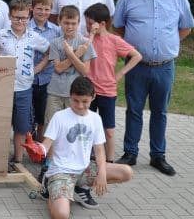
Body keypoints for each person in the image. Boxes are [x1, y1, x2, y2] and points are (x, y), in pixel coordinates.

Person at [112, 0, 194, 176]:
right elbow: (119, 27)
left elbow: (185, 28)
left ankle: (158, 155)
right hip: (136, 66)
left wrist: (167, 45)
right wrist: (136, 49)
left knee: (160, 112)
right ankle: (130, 152)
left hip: (164, 67)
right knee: (134, 110)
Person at [37, 76, 133, 218]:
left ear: (93, 97)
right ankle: (51, 189)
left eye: (85, 101)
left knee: (127, 172)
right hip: (61, 172)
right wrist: (38, 149)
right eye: (75, 100)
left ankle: (79, 187)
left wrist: (101, 173)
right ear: (70, 96)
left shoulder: (95, 118)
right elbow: (47, 143)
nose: (80, 106)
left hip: (85, 169)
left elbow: (99, 150)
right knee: (62, 215)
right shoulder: (59, 117)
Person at [0, 0, 49, 163]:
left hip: (24, 88)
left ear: (29, 17)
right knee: (2, 124)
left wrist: (36, 69)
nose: (20, 21)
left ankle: (18, 160)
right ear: (10, 16)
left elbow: (49, 51)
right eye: (16, 17)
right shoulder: (1, 35)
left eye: (23, 18)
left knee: (21, 126)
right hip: (3, 88)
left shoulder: (33, 37)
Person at [84, 3, 142, 162]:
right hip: (89, 89)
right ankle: (85, 157)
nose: (88, 26)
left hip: (107, 91)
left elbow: (137, 56)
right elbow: (83, 52)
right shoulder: (86, 39)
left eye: (90, 23)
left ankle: (109, 161)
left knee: (108, 129)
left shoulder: (114, 40)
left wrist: (121, 73)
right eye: (87, 23)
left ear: (102, 24)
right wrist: (90, 35)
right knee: (87, 126)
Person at [45, 5, 96, 129]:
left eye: (73, 23)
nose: (70, 27)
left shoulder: (85, 43)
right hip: (55, 92)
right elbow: (58, 68)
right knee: (52, 126)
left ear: (79, 23)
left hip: (75, 93)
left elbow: (84, 71)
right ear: (59, 22)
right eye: (66, 23)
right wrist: (77, 54)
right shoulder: (56, 43)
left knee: (72, 126)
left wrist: (71, 55)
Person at [28, 0, 62, 140]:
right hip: (27, 79)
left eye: (46, 9)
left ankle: (41, 146)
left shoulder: (56, 31)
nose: (43, 12)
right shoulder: (25, 28)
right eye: (39, 8)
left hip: (48, 79)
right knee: (27, 116)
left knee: (43, 115)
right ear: (32, 8)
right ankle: (25, 145)